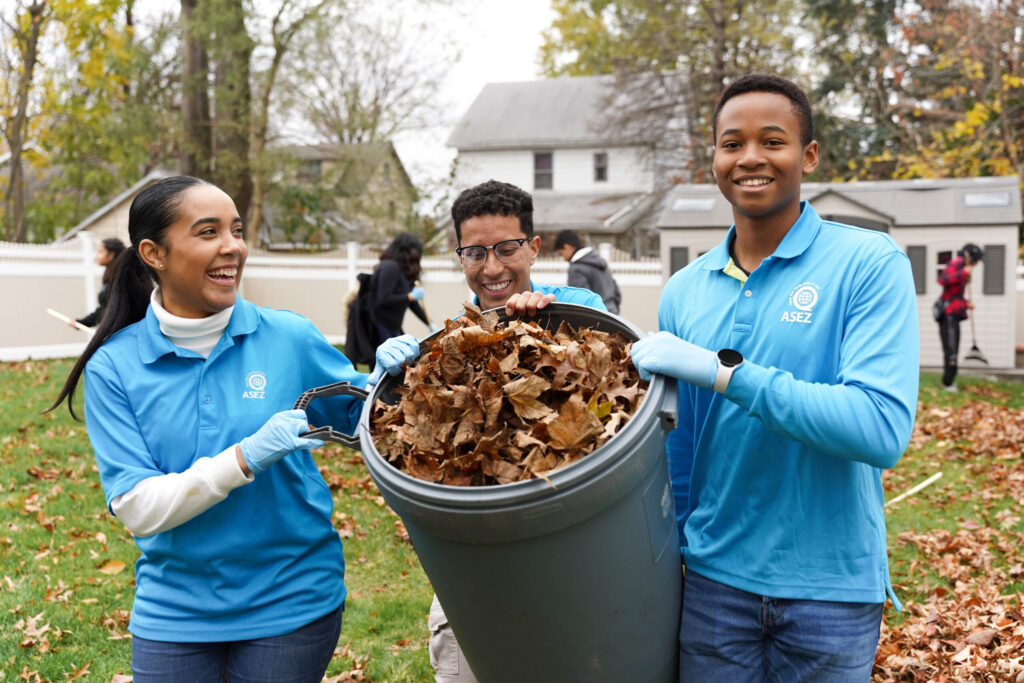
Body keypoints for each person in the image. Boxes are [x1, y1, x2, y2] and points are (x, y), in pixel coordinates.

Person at [47, 175, 396, 682]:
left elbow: (371, 418)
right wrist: (242, 459)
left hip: (292, 595)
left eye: (236, 230)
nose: (232, 246)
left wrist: (396, 377)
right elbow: (139, 507)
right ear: (154, 253)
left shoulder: (288, 336)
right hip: (175, 609)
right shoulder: (115, 367)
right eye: (208, 232)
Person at [629, 74, 919, 681]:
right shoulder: (686, 290)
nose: (751, 158)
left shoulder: (868, 263)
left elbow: (879, 429)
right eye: (731, 143)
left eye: (773, 141)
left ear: (808, 156)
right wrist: (679, 554)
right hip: (713, 586)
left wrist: (725, 374)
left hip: (830, 591)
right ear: (714, 159)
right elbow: (681, 452)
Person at [371, 179, 606, 683]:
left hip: (567, 558)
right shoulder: (458, 337)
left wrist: (544, 329)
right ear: (460, 257)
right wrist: (399, 380)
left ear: (534, 247)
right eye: (476, 252)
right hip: (475, 566)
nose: (493, 267)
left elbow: (609, 379)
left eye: (506, 248)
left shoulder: (575, 303)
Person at [937, 243, 983, 391]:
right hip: (948, 314)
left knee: (953, 348)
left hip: (954, 313)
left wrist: (966, 303)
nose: (976, 264)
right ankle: (947, 383)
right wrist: (963, 273)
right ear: (971, 257)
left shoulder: (963, 266)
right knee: (951, 349)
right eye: (977, 260)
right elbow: (943, 279)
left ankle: (950, 381)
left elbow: (955, 294)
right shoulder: (957, 263)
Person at [369, 232, 431, 342]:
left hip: (393, 326)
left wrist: (429, 323)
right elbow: (383, 299)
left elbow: (412, 304)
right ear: (407, 250)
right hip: (381, 326)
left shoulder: (401, 272)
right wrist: (410, 296)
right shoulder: (390, 267)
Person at [552, 229, 622, 314]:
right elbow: (616, 293)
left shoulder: (577, 269)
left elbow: (581, 303)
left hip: (597, 321)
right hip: (613, 315)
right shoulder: (600, 261)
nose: (563, 259)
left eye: (561, 254)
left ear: (567, 247)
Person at [75, 237, 126, 327]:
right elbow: (105, 308)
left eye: (100, 252)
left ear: (111, 255)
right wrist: (82, 322)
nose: (97, 256)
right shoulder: (110, 274)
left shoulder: (120, 276)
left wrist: (84, 322)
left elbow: (110, 309)